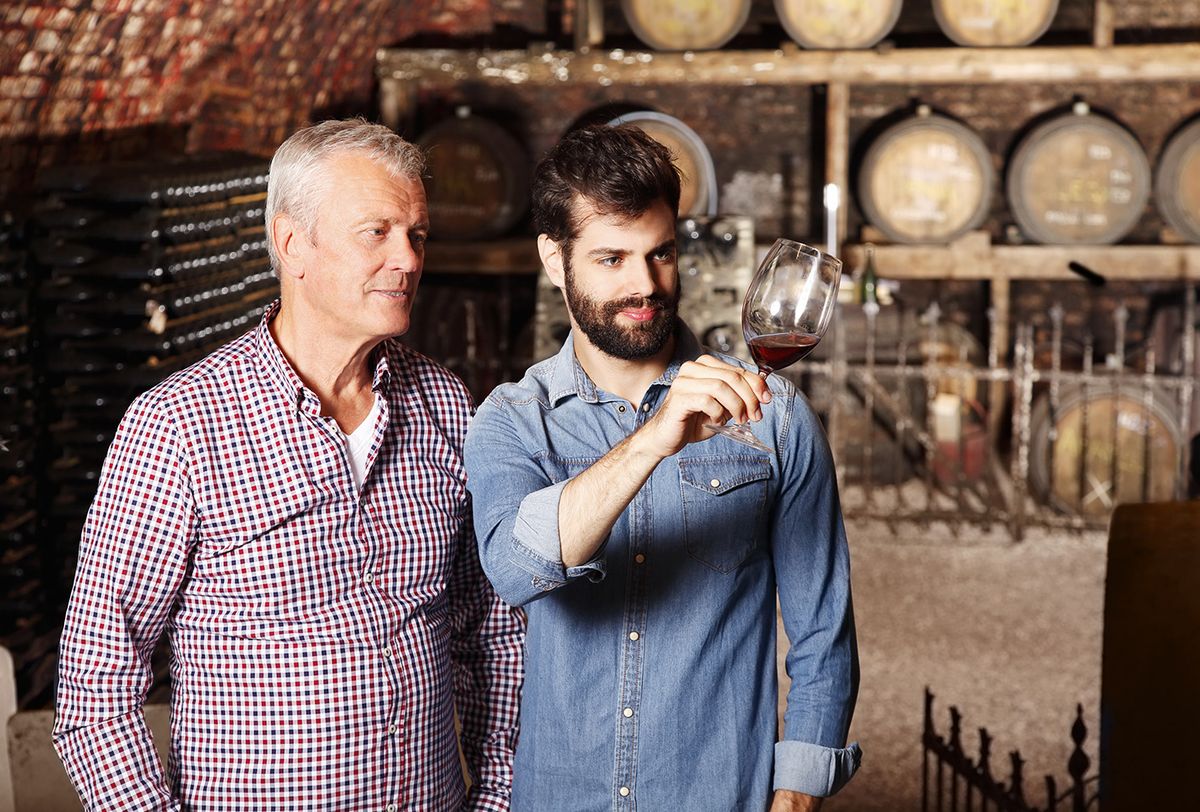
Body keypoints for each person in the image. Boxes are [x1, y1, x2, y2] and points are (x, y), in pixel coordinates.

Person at [53, 118, 524, 811]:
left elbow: (492, 633)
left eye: (417, 235)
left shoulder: (447, 406)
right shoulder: (179, 426)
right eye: (377, 232)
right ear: (291, 242)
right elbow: (96, 686)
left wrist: (497, 798)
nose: (408, 259)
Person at [464, 124, 860, 811]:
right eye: (611, 259)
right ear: (555, 261)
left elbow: (824, 634)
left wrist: (795, 795)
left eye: (661, 253)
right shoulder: (512, 417)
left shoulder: (776, 417)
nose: (644, 284)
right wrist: (652, 440)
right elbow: (515, 569)